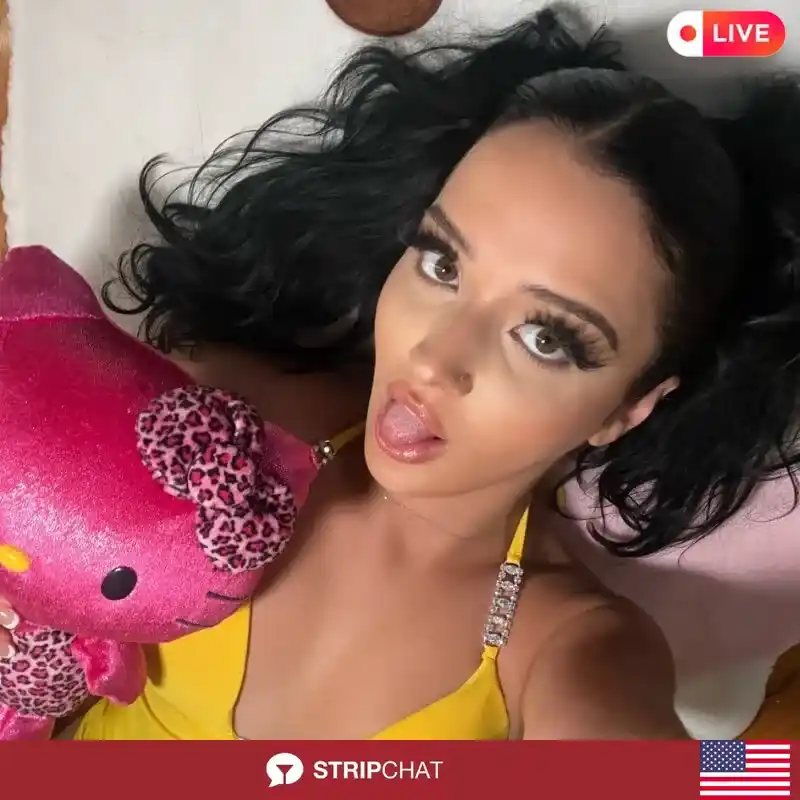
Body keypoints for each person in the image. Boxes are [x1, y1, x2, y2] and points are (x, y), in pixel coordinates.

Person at [2, 7, 799, 739]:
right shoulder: (221, 421)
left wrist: (764, 759)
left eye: (545, 337)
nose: (435, 357)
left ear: (627, 408)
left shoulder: (572, 647)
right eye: (442, 262)